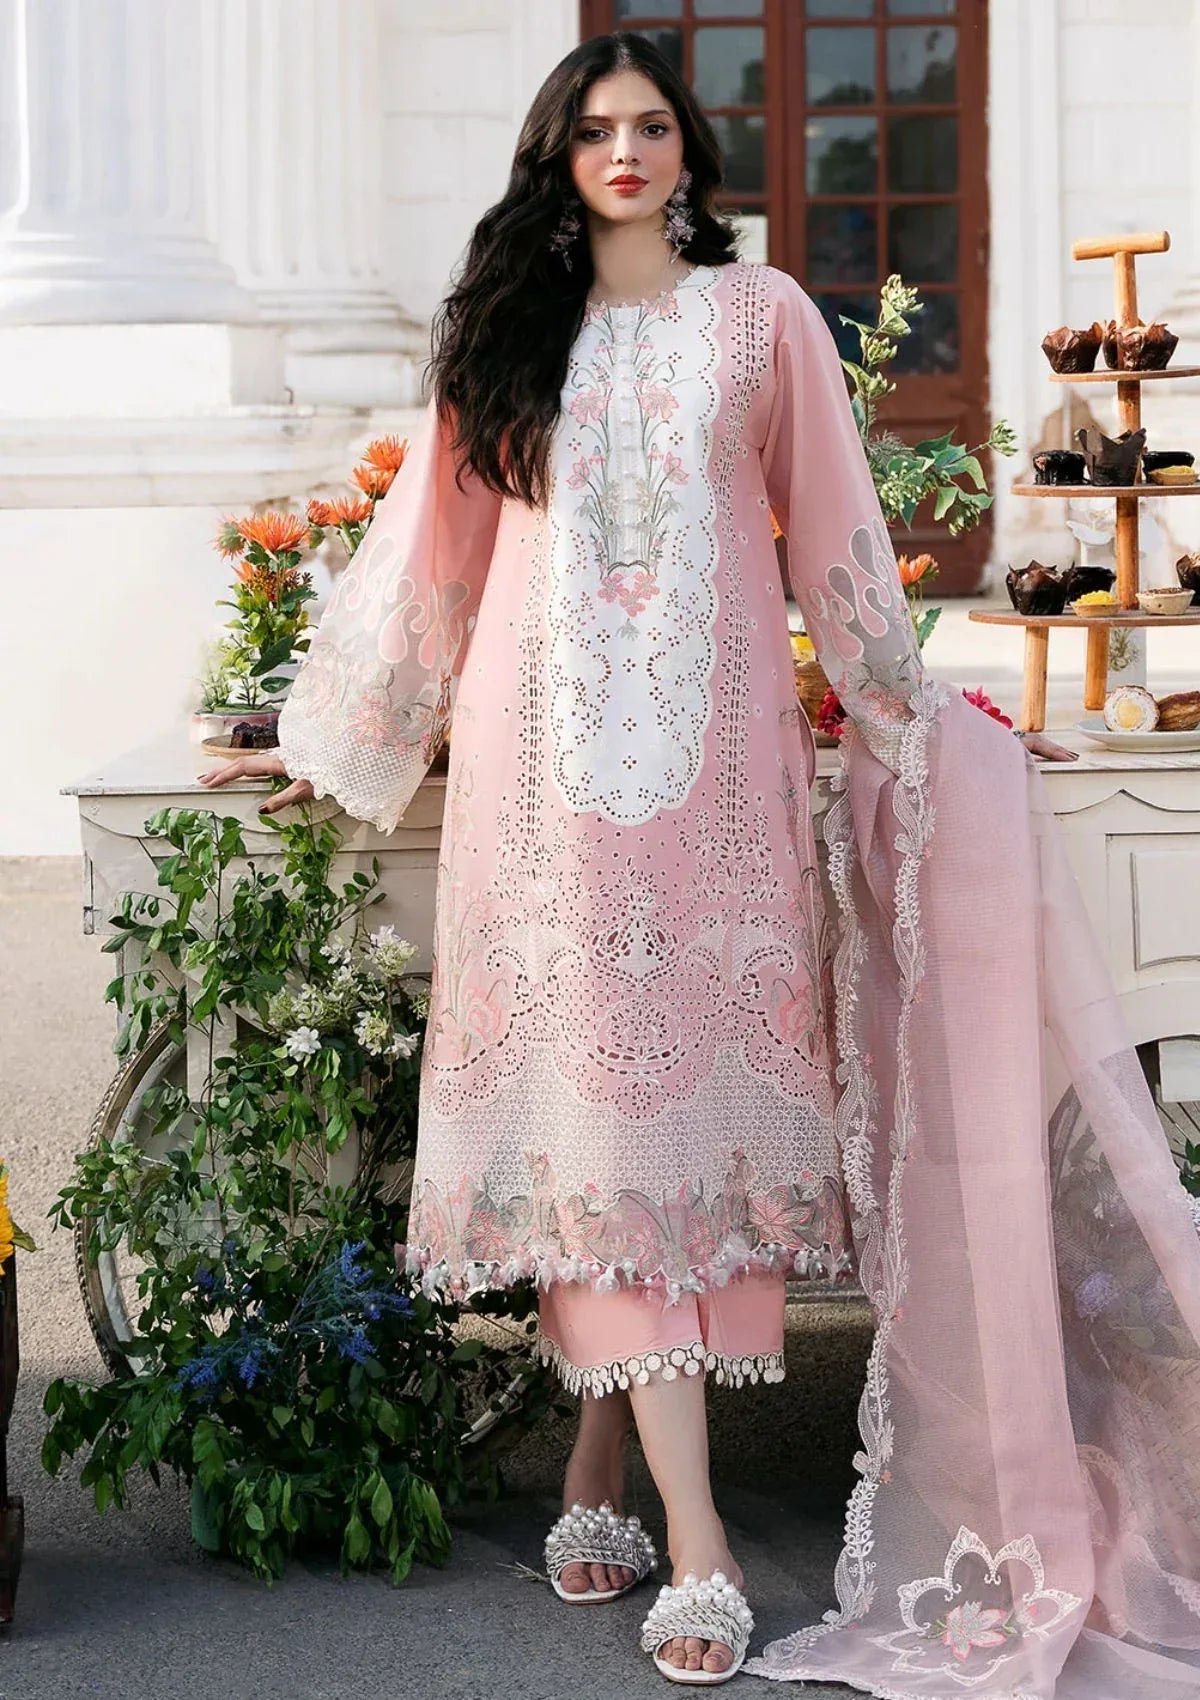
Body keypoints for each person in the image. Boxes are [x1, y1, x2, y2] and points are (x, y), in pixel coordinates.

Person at [200, 32, 1200, 1697]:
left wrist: (908, 717)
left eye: (652, 125)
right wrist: (333, 743)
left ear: (691, 151)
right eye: (594, 130)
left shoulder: (764, 321)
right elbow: (433, 567)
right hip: (542, 799)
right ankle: (706, 1540)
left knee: (665, 1135)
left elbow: (837, 542)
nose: (626, 152)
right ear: (556, 156)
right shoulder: (504, 340)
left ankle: (607, 1469)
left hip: (720, 799)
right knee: (594, 1124)